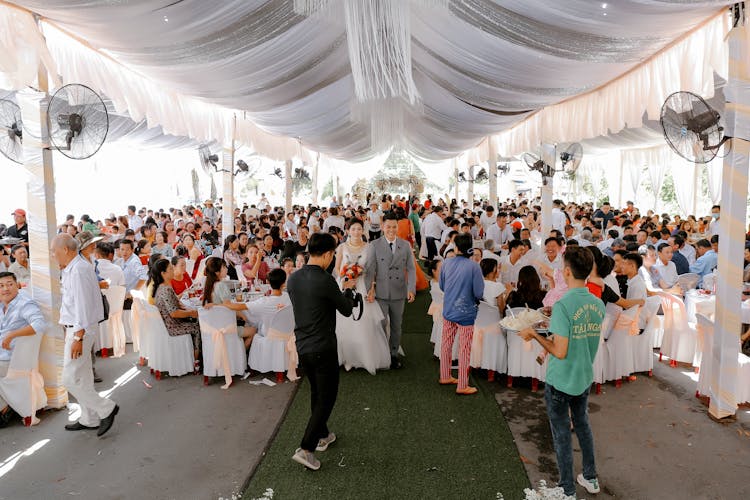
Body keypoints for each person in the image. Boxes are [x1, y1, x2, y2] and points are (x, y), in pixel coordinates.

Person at [518, 246, 605, 498]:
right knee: (583, 425)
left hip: (561, 379)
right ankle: (590, 477)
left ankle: (567, 488)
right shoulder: (597, 303)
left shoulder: (564, 304)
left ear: (566, 271)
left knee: (561, 433)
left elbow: (559, 350)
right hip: (583, 374)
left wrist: (534, 334)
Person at [287, 232, 358, 471]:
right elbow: (347, 310)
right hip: (324, 347)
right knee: (326, 398)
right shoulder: (325, 280)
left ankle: (323, 434)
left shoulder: (293, 279)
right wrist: (347, 289)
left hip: (302, 346)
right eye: (333, 254)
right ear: (328, 254)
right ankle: (306, 448)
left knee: (317, 393)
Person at [51, 234, 119, 437]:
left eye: (54, 252)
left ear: (65, 250)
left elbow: (83, 305)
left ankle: (106, 408)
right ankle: (89, 419)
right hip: (76, 328)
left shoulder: (79, 270)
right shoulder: (74, 267)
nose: (53, 256)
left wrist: (78, 337)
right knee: (83, 377)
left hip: (79, 330)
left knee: (70, 379)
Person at [334, 219, 390, 375]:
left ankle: (363, 358)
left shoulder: (369, 247)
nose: (356, 232)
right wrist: (346, 278)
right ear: (348, 231)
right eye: (353, 229)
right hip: (345, 286)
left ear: (363, 230)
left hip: (362, 287)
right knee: (344, 322)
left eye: (359, 229)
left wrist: (372, 288)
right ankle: (347, 358)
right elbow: (337, 268)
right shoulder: (342, 247)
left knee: (363, 322)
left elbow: (372, 270)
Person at [365, 214, 416, 369]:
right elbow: (370, 269)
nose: (391, 230)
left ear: (397, 227)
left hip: (399, 291)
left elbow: (411, 269)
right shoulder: (374, 245)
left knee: (396, 325)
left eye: (394, 227)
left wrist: (411, 288)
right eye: (388, 227)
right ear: (382, 227)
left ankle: (393, 355)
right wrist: (370, 289)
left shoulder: (405, 245)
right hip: (381, 292)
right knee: (381, 324)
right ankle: (381, 354)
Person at [438, 233, 484, 394]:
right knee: (464, 349)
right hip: (466, 312)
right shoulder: (474, 266)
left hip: (449, 309)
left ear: (456, 247)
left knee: (446, 344)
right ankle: (462, 384)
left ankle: (445, 375)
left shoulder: (446, 263)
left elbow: (442, 286)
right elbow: (479, 293)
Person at [0, 272, 47, 427]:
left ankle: (5, 408)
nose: (5, 289)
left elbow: (39, 324)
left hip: (13, 357)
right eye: (1, 286)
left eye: (9, 284)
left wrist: (12, 335)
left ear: (17, 285)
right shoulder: (2, 304)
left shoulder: (24, 303)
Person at [244, 268, 291, 349]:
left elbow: (242, 307)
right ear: (284, 283)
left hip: (267, 337)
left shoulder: (264, 302)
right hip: (286, 335)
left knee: (253, 324)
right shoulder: (289, 297)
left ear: (268, 282)